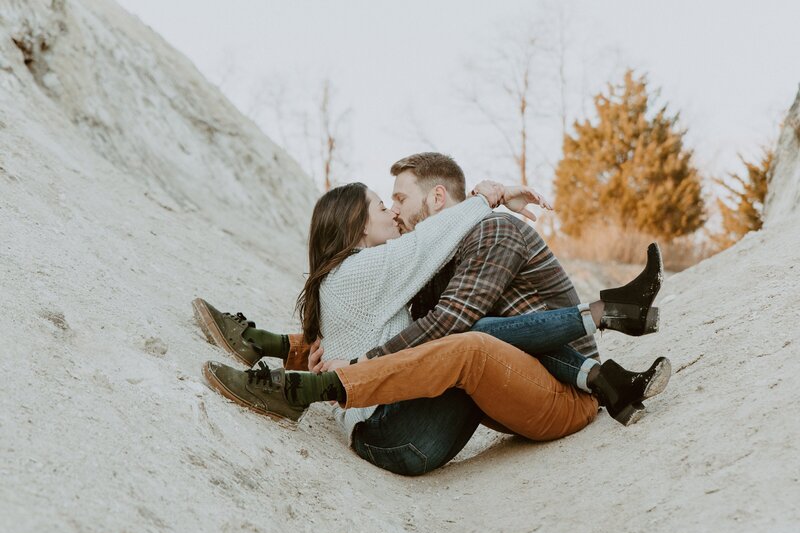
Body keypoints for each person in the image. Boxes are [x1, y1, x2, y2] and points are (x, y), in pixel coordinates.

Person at [196, 163, 670, 474]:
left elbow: (432, 299)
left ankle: (607, 343)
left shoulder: (360, 273)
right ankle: (607, 318)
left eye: (396, 200)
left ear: (437, 196)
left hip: (400, 422)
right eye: (384, 205)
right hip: (391, 429)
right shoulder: (364, 271)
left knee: (469, 333)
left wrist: (344, 355)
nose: (393, 212)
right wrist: (491, 193)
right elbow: (427, 259)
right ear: (360, 226)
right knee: (467, 340)